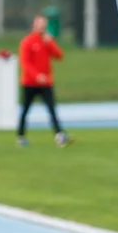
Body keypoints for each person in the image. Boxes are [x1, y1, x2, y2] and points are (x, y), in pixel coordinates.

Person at [16, 15, 71, 147]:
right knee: (25, 110)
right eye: (39, 24)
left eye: (44, 24)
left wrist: (50, 43)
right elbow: (25, 63)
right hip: (30, 83)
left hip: (46, 83)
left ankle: (59, 134)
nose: (42, 27)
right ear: (34, 26)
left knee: (52, 109)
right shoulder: (27, 42)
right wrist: (36, 76)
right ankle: (21, 135)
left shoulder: (46, 41)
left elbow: (59, 56)